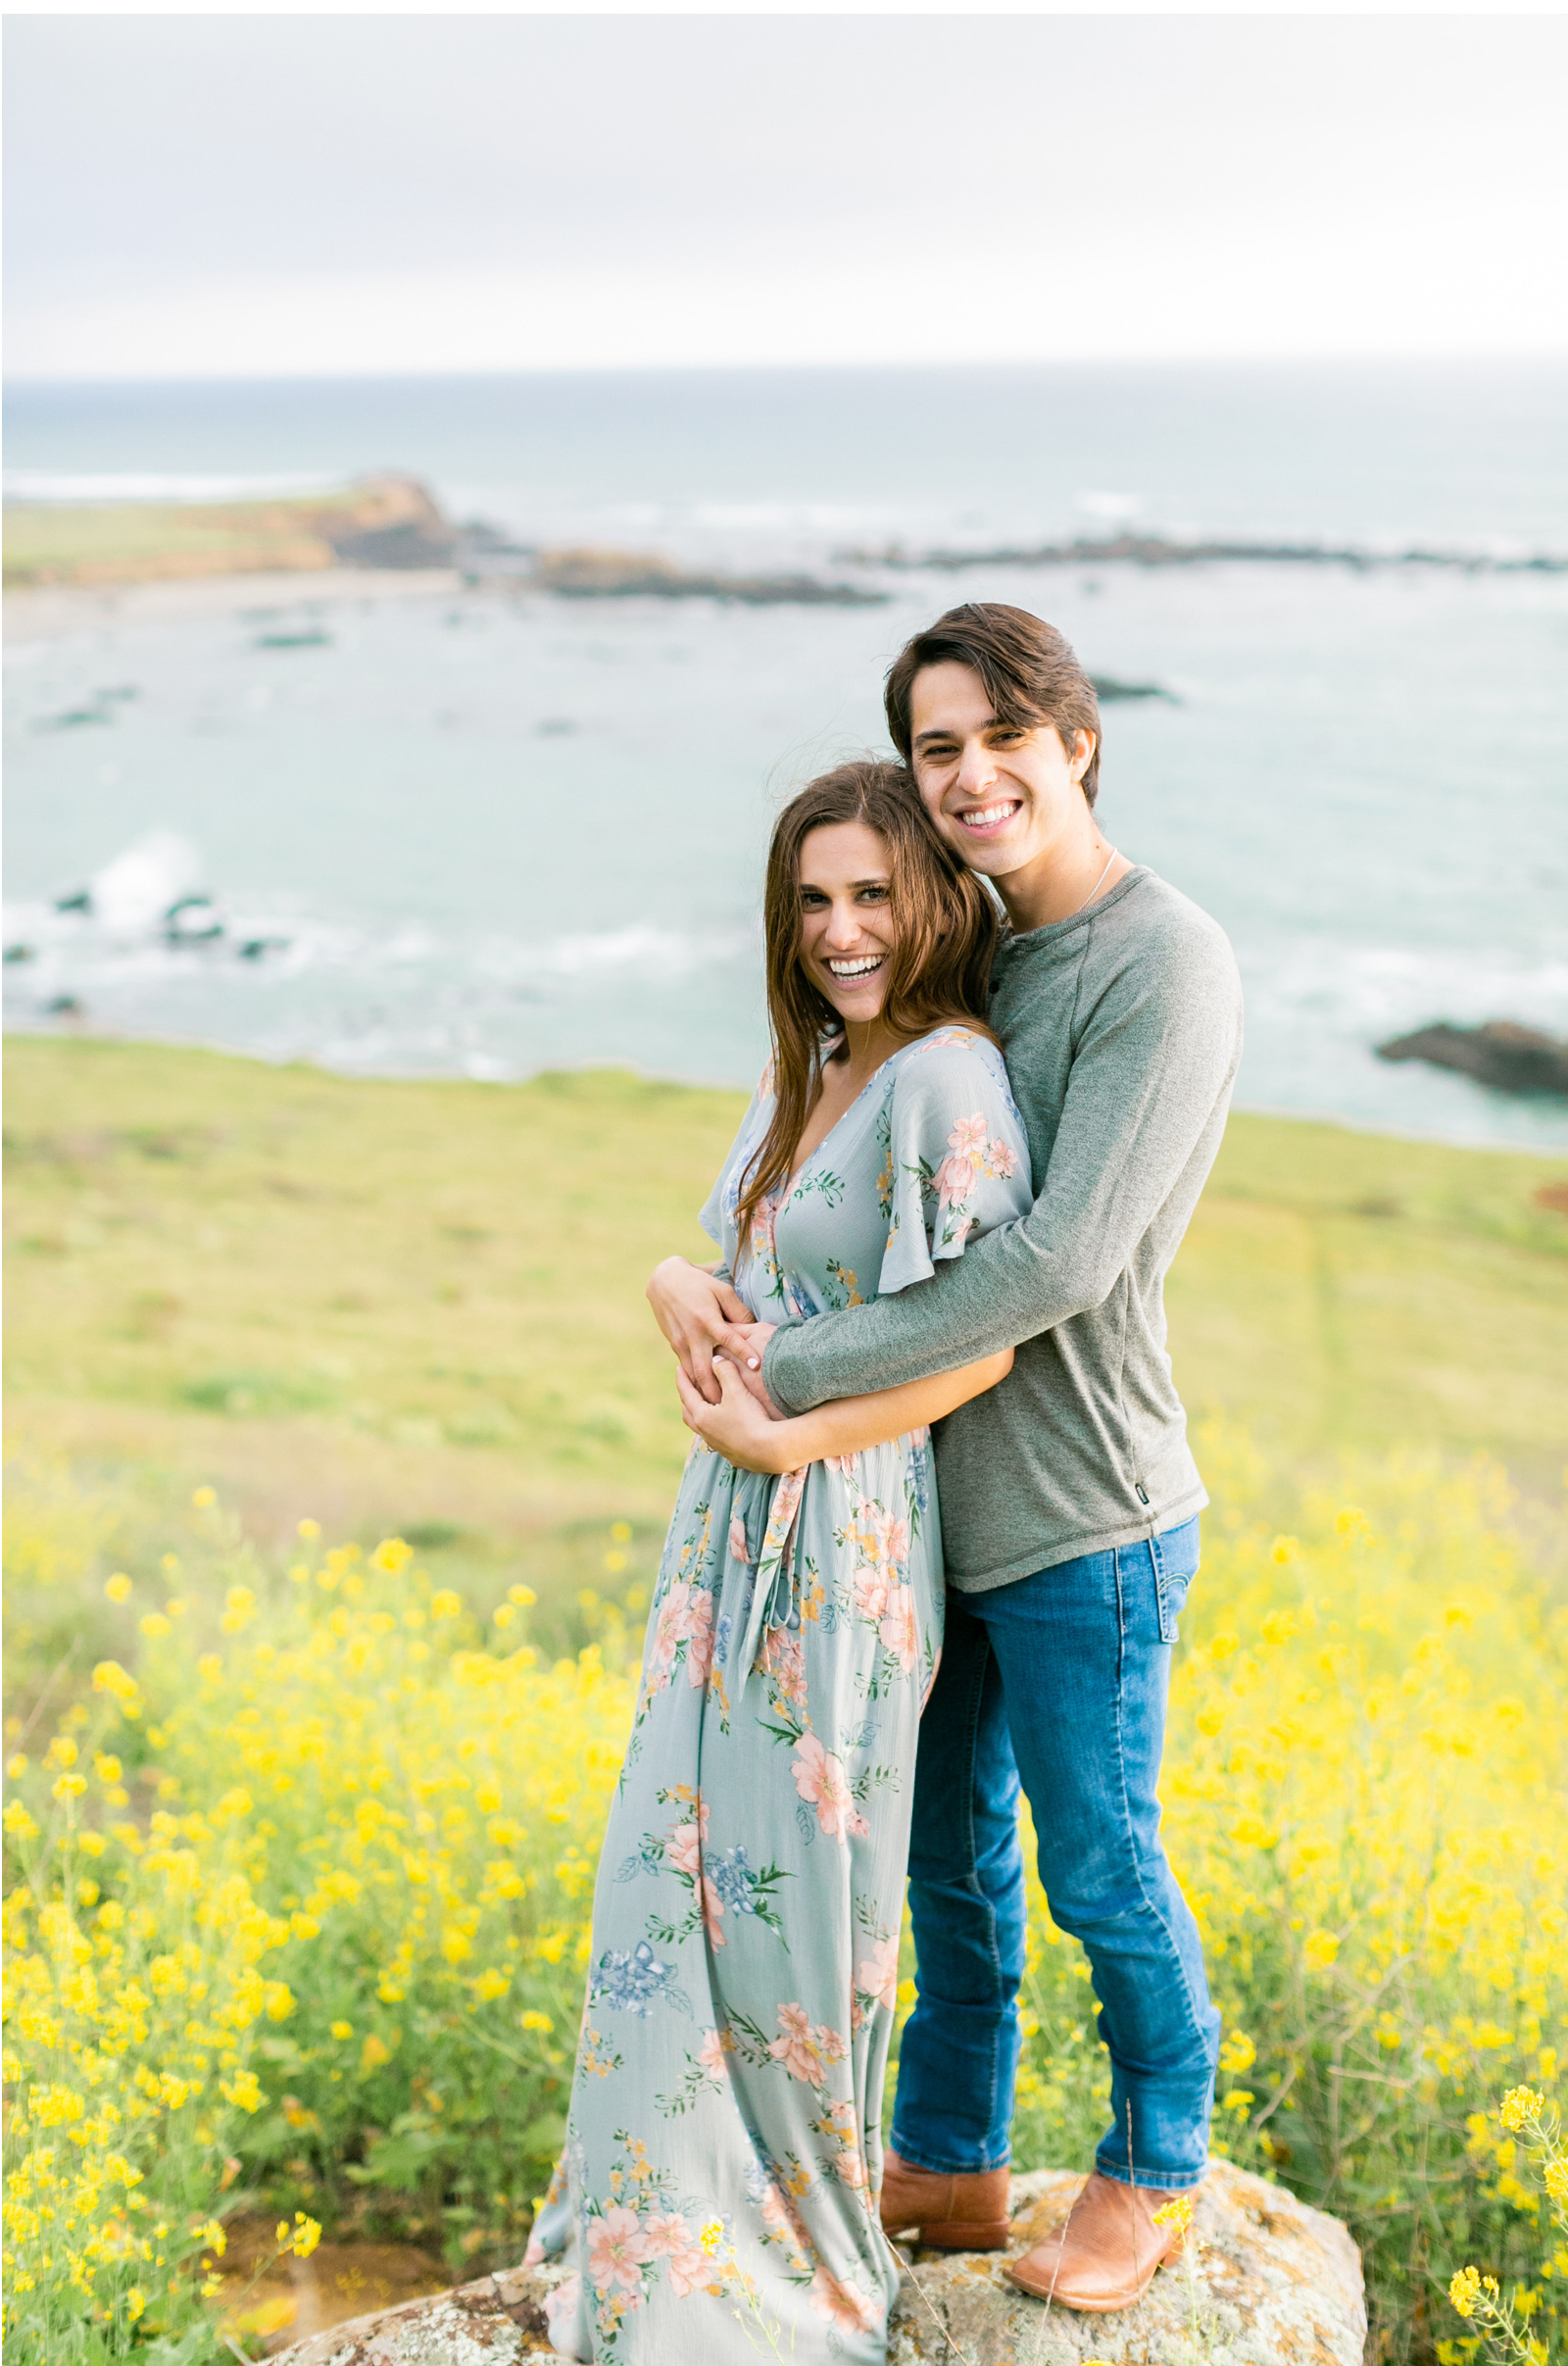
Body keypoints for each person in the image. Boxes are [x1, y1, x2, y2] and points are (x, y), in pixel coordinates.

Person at [651, 604, 1245, 2314]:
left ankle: (1153, 2166)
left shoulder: (1161, 960)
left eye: (1000, 736)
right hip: (923, 1504)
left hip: (1082, 1511)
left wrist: (788, 1364)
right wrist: (699, 1280)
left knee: (1096, 1858)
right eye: (936, 747)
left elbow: (1054, 1264)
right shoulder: (973, 943)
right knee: (946, 1858)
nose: (969, 774)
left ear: (1077, 738)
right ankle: (952, 2158)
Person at [529, 758, 1034, 2361]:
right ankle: (650, 2218)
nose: (842, 929)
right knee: (671, 1881)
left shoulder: (951, 1077)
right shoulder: (809, 1061)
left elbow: (986, 1342)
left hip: (843, 1531)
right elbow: (746, 1266)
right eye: (815, 900)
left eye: (873, 894)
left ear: (932, 899)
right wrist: (675, 1274)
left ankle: (788, 2265)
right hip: (725, 1524)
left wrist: (798, 1442)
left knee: (795, 1913)